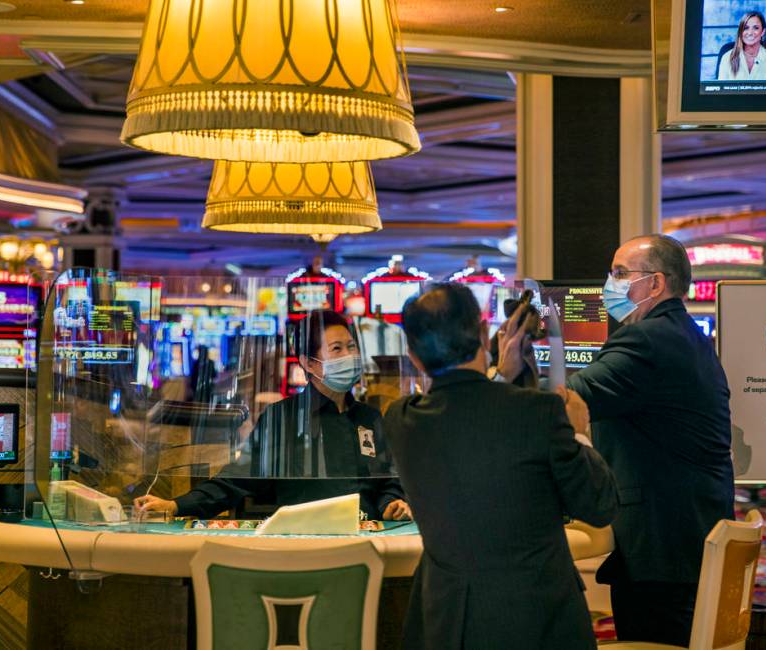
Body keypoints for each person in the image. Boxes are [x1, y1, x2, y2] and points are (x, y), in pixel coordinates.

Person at [493, 234, 734, 647]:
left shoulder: (646, 340)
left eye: (621, 273)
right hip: (686, 534)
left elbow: (568, 405)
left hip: (662, 547)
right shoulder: (684, 335)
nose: (610, 283)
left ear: (656, 284)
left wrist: (507, 371)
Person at [385, 283, 618, 650]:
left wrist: (499, 374)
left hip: (447, 622)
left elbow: (467, 414)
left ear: (413, 356)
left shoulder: (402, 420)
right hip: (539, 621)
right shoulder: (540, 412)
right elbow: (599, 505)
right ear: (482, 333)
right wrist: (579, 433)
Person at [136, 309, 411, 522]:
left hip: (368, 539)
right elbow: (238, 479)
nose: (349, 356)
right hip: (305, 542)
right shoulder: (284, 417)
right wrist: (175, 505)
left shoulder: (370, 417)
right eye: (337, 349)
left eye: (351, 347)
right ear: (308, 363)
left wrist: (391, 503)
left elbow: (389, 481)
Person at [717, 12, 766, 81]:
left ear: (763, 32)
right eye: (746, 28)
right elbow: (721, 90)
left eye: (756, 28)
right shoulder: (727, 58)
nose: (750, 33)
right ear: (741, 32)